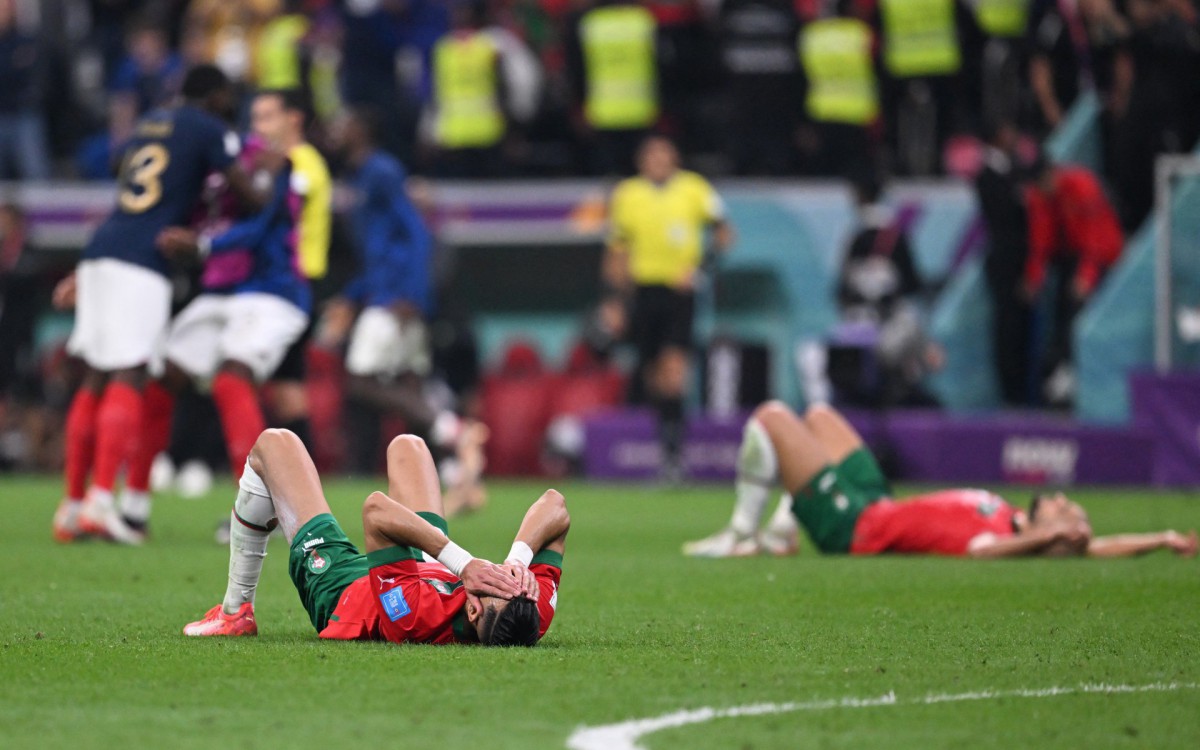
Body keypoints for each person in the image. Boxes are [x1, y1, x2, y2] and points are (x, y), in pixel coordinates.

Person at [52, 65, 264, 545]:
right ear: (214, 97)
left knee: (96, 376)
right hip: (145, 257)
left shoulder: (151, 120)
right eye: (227, 98)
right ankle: (102, 502)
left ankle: (71, 504)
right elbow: (247, 195)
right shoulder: (210, 126)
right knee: (129, 371)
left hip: (102, 247)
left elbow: (115, 166)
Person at [182, 428, 568, 647]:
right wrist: (519, 561)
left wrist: (464, 564)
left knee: (274, 444)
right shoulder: (528, 612)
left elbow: (375, 512)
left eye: (497, 582)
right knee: (409, 447)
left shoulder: (416, 619)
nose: (501, 575)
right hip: (422, 567)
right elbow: (556, 506)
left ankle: (236, 612)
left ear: (472, 611)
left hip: (345, 589)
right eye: (510, 579)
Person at [124, 97, 310, 533]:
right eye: (256, 117)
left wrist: (204, 245)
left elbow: (261, 223)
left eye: (270, 116)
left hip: (273, 291)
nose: (262, 126)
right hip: (221, 290)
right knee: (163, 376)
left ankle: (254, 513)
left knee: (231, 380)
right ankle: (132, 507)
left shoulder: (285, 165)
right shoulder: (219, 162)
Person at [684, 401, 1198, 559]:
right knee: (819, 414)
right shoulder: (1009, 517)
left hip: (857, 527)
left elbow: (980, 553)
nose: (1063, 500)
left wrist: (1047, 537)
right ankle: (780, 534)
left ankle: (741, 534)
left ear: (1053, 533)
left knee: (772, 417)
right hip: (878, 500)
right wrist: (1161, 538)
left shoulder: (1000, 539)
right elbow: (1097, 546)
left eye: (1067, 511)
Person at [321, 107, 485, 507]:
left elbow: (415, 231)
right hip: (382, 290)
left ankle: (452, 429)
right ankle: (452, 472)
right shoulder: (358, 177)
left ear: (363, 129)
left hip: (396, 298)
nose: (335, 129)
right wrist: (352, 294)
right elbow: (377, 249)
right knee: (408, 382)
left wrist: (413, 294)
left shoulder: (382, 171)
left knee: (361, 381)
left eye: (344, 121)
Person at [605, 135, 734, 480]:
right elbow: (617, 252)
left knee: (675, 369)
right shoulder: (628, 195)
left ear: (675, 157)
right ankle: (666, 450)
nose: (658, 161)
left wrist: (701, 268)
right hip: (643, 293)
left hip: (679, 293)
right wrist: (616, 301)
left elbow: (724, 234)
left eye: (664, 154)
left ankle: (675, 456)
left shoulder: (694, 189)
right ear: (641, 160)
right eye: (652, 155)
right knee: (653, 375)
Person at [1023, 156, 1124, 406]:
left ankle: (1080, 374)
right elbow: (1040, 242)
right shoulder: (1040, 195)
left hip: (1103, 256)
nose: (1041, 192)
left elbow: (1095, 237)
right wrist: (1034, 278)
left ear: (1051, 174)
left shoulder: (1082, 185)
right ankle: (1061, 375)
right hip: (1071, 257)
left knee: (1080, 312)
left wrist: (1086, 277)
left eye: (1043, 185)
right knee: (1062, 316)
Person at [0, 0, 50, 180]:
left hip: (23, 113)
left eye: (6, 9)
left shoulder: (26, 40)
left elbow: (35, 73)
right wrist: (11, 65)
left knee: (36, 174)